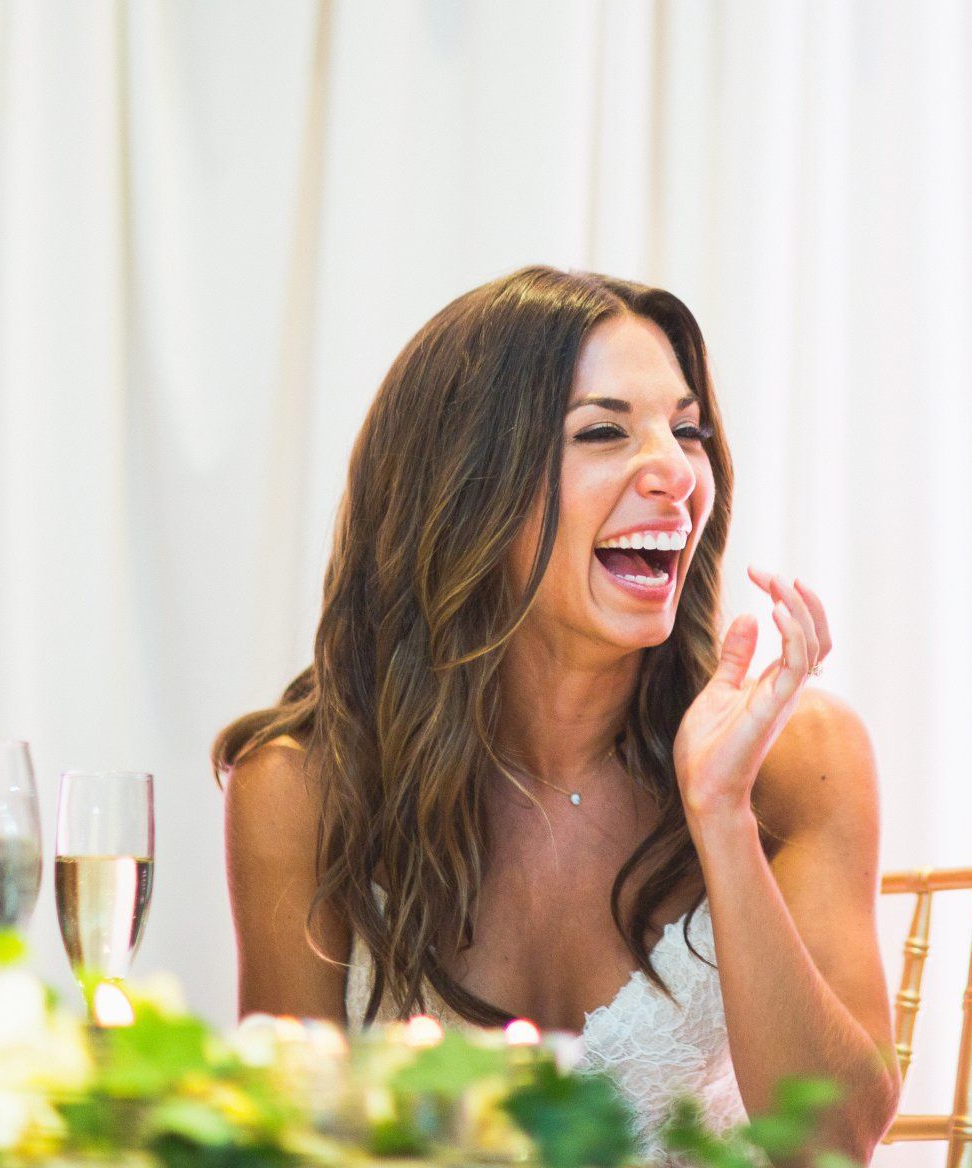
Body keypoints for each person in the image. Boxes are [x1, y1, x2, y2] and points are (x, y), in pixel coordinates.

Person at [213, 266, 899, 1161]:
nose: (675, 473)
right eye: (603, 431)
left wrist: (722, 816)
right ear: (465, 488)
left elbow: (832, 1144)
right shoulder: (302, 787)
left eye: (688, 431)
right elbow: (280, 1147)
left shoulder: (800, 757)